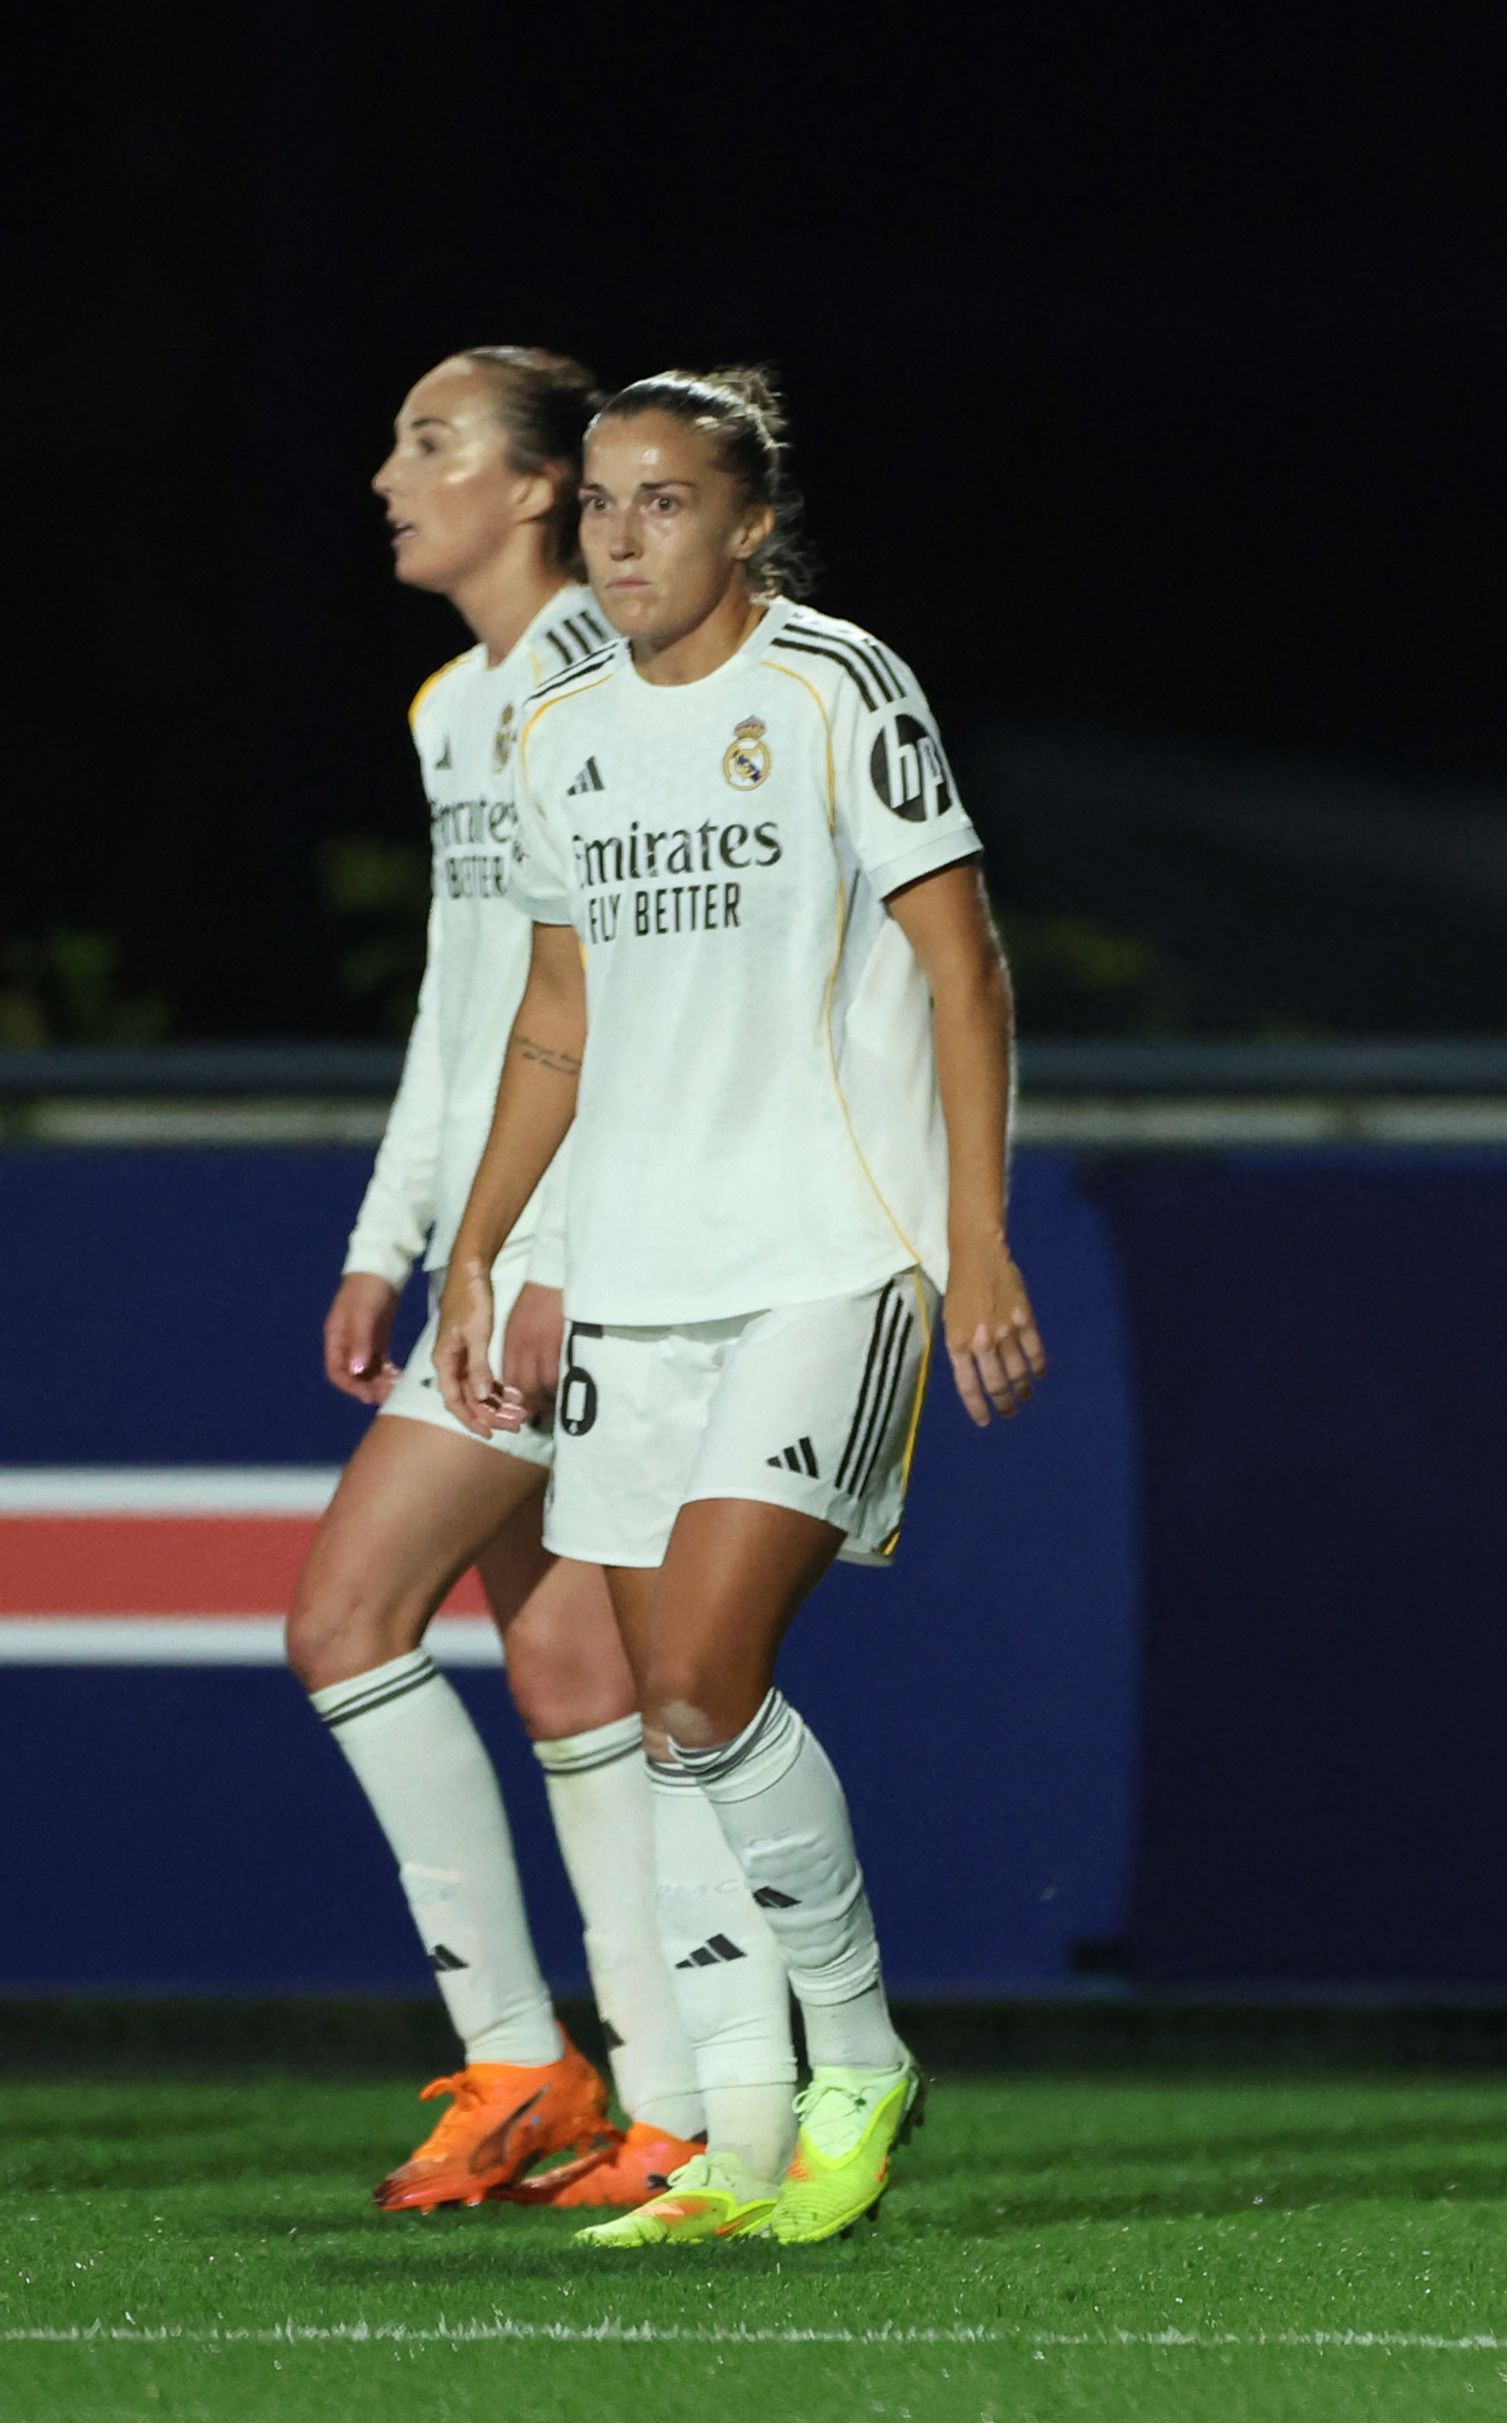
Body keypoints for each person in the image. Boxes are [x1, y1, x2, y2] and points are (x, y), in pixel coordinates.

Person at [434, 366, 1042, 2247]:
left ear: (748, 520)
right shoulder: (554, 732)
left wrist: (977, 1239)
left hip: (825, 1259)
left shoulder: (836, 690)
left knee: (703, 1674)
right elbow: (555, 1017)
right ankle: (747, 2139)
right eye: (601, 502)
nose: (622, 534)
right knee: (655, 1714)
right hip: (629, 1277)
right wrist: (485, 1244)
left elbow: (966, 975)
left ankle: (859, 2056)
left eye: (664, 500)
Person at [293, 344, 704, 2213]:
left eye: (432, 442)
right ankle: (664, 2088)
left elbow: (619, 1011)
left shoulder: (605, 697)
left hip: (566, 1257)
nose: (392, 473)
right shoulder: (464, 701)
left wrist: (531, 1257)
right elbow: (475, 1016)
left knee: (346, 1619)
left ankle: (523, 2057)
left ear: (540, 489)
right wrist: (397, 1235)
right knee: (563, 1662)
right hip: (490, 1250)